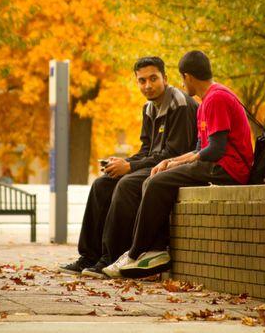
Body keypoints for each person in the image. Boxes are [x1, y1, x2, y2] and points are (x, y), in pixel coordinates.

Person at [103, 50, 254, 278]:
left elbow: (215, 149)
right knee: (156, 178)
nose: (184, 84)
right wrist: (171, 161)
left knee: (156, 183)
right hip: (216, 164)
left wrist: (180, 163)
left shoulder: (216, 98)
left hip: (228, 169)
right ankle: (151, 250)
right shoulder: (206, 101)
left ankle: (137, 252)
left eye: (183, 79)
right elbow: (200, 149)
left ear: (187, 76)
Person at [59, 56, 199, 278]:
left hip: (174, 169)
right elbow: (147, 150)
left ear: (166, 78)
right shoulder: (148, 108)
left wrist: (130, 167)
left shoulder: (179, 103)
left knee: (127, 184)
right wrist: (122, 163)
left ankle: (111, 258)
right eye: (141, 81)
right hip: (154, 165)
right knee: (101, 184)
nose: (147, 85)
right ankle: (89, 256)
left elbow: (174, 154)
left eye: (153, 79)